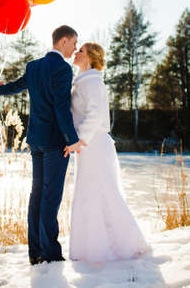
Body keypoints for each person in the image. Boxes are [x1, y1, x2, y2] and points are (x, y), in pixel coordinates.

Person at [0, 25, 86, 265]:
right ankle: (51, 254)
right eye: (74, 42)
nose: (76, 47)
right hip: (55, 142)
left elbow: (18, 85)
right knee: (50, 196)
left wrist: (2, 89)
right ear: (63, 41)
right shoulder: (63, 69)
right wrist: (72, 140)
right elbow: (60, 107)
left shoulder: (33, 66)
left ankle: (35, 251)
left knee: (37, 195)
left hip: (35, 140)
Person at [67, 42, 149, 263]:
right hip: (88, 146)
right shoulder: (82, 82)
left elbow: (95, 115)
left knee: (103, 192)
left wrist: (80, 139)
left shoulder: (92, 82)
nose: (76, 52)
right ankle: (90, 249)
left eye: (81, 51)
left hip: (93, 144)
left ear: (91, 58)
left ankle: (124, 246)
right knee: (89, 193)